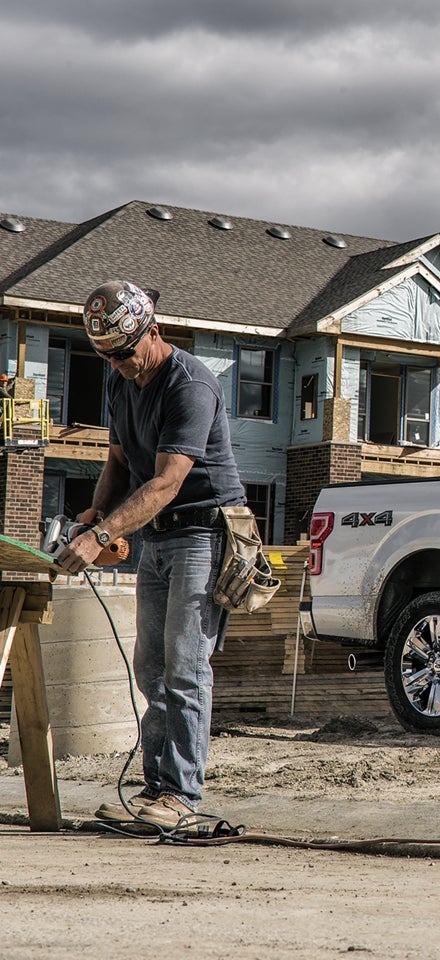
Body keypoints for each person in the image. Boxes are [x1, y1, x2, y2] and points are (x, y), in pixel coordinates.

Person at [55, 280, 246, 831]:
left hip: (204, 535)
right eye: (108, 357)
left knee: (186, 665)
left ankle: (183, 795)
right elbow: (118, 463)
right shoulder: (122, 382)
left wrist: (100, 537)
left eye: (125, 353)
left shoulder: (191, 385)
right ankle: (155, 790)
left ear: (152, 331)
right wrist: (96, 517)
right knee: (152, 669)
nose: (119, 365)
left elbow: (165, 482)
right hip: (158, 540)